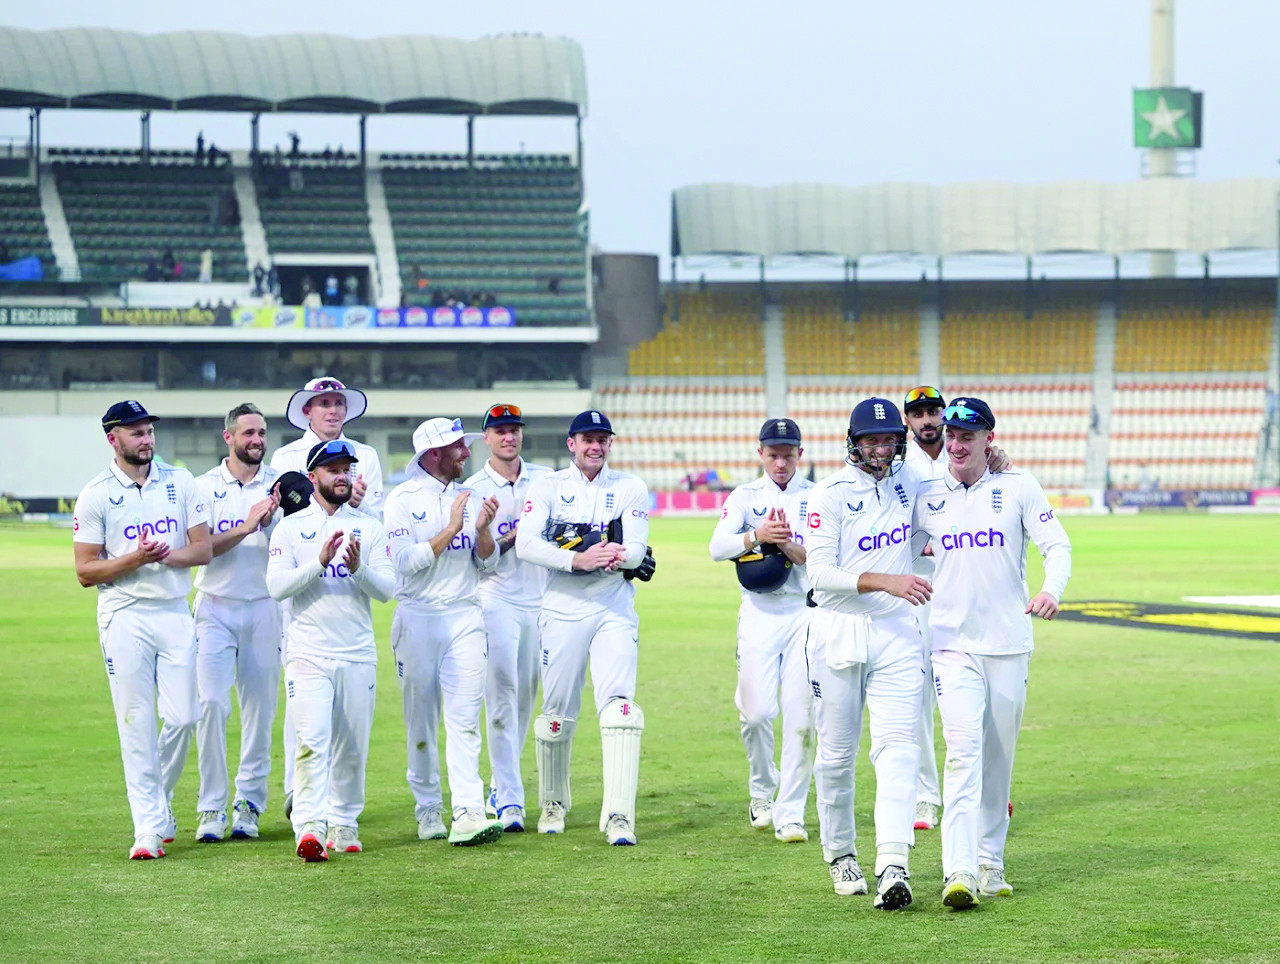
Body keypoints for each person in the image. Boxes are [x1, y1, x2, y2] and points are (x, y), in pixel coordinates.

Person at [912, 397, 1071, 909]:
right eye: (951, 436)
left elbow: (1057, 545)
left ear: (988, 440)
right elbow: (889, 538)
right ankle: (956, 870)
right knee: (962, 755)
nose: (955, 445)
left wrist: (1053, 590)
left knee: (998, 760)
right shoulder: (926, 495)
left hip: (1008, 644)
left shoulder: (1018, 486)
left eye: (967, 437)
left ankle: (990, 862)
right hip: (951, 646)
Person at [804, 398, 931, 909]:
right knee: (836, 756)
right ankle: (840, 853)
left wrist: (996, 463)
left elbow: (953, 489)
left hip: (897, 631)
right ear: (853, 442)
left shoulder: (911, 482)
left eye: (888, 440)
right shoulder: (827, 494)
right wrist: (886, 579)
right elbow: (819, 574)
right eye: (871, 440)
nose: (881, 449)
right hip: (839, 629)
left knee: (899, 747)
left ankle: (893, 864)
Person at [72, 401, 212, 859]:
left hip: (173, 610)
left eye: (149, 431)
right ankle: (148, 829)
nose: (146, 439)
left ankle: (159, 803)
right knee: (135, 724)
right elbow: (86, 571)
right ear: (113, 439)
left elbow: (203, 550)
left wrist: (165, 556)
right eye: (136, 433)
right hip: (123, 616)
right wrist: (135, 558)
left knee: (186, 715)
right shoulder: (95, 493)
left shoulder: (181, 481)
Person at [515, 410, 654, 845]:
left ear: (610, 444)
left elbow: (637, 551)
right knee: (556, 715)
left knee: (620, 710)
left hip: (613, 607)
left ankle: (619, 815)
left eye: (602, 439)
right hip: (561, 609)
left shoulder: (629, 487)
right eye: (587, 439)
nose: (595, 446)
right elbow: (526, 543)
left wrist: (613, 554)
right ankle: (554, 802)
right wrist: (577, 558)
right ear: (571, 443)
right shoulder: (548, 486)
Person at [267, 439, 394, 861]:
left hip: (357, 652)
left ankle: (345, 822)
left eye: (347, 469)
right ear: (313, 477)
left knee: (352, 746)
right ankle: (309, 826)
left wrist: (357, 569)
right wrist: (319, 563)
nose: (343, 476)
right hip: (307, 653)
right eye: (333, 469)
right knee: (311, 739)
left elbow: (388, 590)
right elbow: (276, 587)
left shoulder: (371, 528)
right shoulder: (290, 529)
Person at [384, 418, 505, 846]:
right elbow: (403, 562)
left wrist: (483, 531)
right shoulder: (401, 499)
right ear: (434, 454)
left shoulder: (469, 497)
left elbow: (486, 564)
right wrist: (452, 528)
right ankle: (428, 807)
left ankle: (469, 811)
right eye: (459, 447)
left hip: (465, 616)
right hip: (418, 618)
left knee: (465, 719)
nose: (467, 454)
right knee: (420, 722)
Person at [708, 417, 815, 842]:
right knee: (755, 714)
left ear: (800, 455)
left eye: (788, 454)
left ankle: (790, 811)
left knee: (801, 719)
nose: (781, 462)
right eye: (773, 454)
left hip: (804, 613)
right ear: (761, 454)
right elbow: (717, 547)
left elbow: (819, 557)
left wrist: (787, 544)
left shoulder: (818, 496)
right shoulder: (745, 496)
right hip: (758, 612)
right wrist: (757, 535)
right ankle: (761, 789)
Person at [191, 403, 281, 843]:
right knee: (210, 705)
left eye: (262, 433)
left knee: (259, 713)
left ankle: (248, 803)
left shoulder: (281, 488)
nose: (257, 441)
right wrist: (247, 527)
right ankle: (210, 806)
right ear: (228, 437)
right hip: (215, 608)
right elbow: (201, 547)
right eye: (248, 433)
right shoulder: (203, 487)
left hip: (264, 607)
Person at [463, 404, 555, 829]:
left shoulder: (546, 480)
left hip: (543, 600)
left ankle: (502, 787)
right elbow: (478, 561)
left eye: (514, 430)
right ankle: (510, 801)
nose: (509, 437)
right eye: (500, 431)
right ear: (487, 438)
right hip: (497, 598)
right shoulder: (474, 488)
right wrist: (512, 534)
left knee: (524, 702)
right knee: (500, 701)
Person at [901, 386, 948, 832]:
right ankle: (925, 797)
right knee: (917, 699)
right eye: (918, 413)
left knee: (973, 696)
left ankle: (983, 789)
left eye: (933, 410)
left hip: (962, 591)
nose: (927, 419)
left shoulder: (964, 454)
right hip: (917, 591)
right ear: (908, 419)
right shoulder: (901, 468)